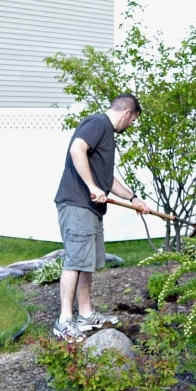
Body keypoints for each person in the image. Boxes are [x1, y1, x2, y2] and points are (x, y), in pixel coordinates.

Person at [53, 93, 149, 340]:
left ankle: (85, 315)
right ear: (128, 113)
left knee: (86, 263)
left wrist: (132, 198)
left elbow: (108, 179)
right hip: (77, 204)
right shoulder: (98, 123)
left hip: (91, 208)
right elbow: (77, 149)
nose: (130, 126)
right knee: (75, 261)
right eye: (133, 121)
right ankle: (64, 320)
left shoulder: (106, 132)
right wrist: (92, 187)